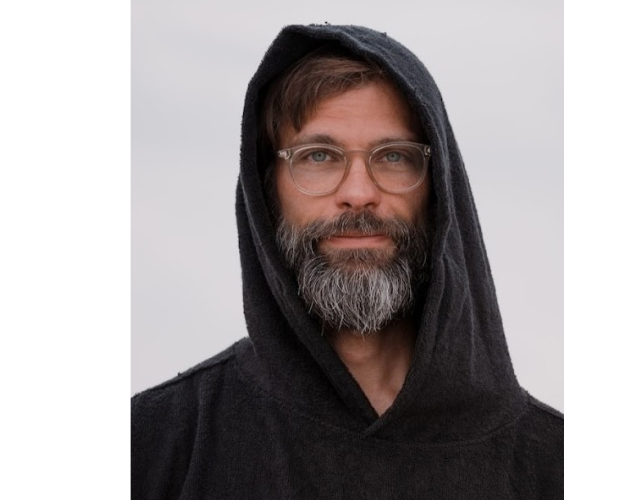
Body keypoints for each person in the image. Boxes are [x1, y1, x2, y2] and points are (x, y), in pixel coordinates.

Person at [132, 24, 563, 499]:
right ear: (266, 191)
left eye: (393, 157)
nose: (358, 194)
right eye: (319, 156)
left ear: (439, 189)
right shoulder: (152, 448)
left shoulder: (555, 467)